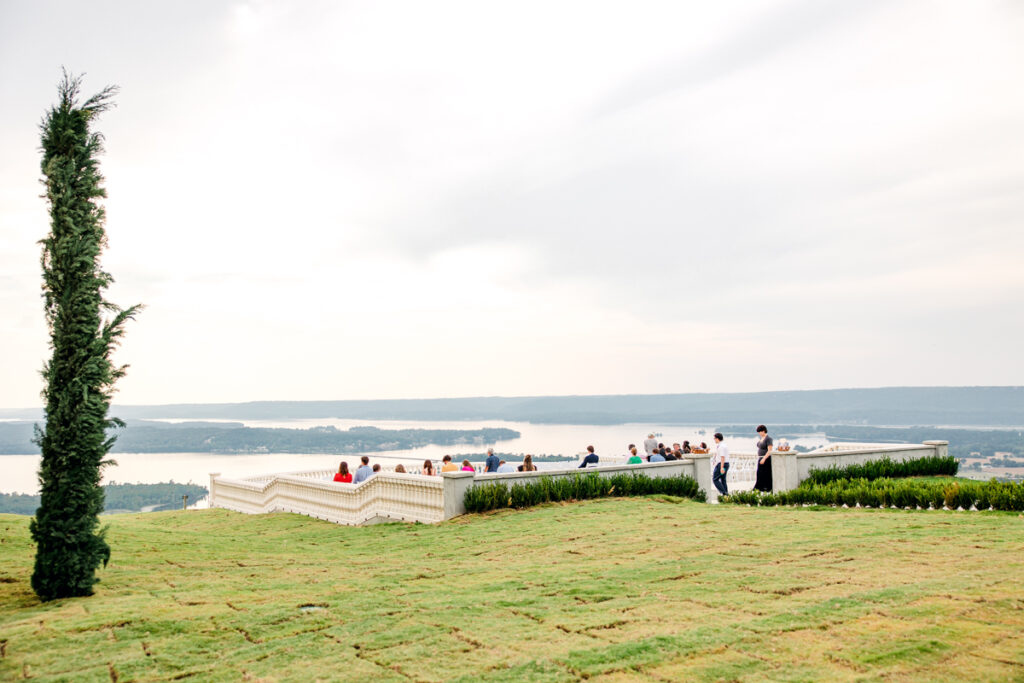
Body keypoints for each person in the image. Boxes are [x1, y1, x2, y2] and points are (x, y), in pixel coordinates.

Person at [753, 425, 773, 492]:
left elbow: (769, 450)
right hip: (760, 458)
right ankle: (759, 488)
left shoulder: (768, 439)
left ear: (763, 431)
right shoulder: (761, 439)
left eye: (760, 432)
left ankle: (766, 488)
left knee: (765, 474)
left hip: (766, 459)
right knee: (759, 474)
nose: (759, 433)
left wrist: (764, 458)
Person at [712, 433, 730, 497]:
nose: (714, 440)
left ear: (717, 438)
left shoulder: (721, 446)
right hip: (725, 464)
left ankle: (724, 493)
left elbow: (722, 457)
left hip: (722, 464)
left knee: (715, 479)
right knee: (723, 479)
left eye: (714, 438)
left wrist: (721, 467)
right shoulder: (722, 445)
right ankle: (726, 495)